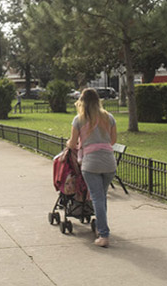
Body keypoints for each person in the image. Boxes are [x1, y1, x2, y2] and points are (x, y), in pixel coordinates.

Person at [66, 88, 117, 247]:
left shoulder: (79, 120)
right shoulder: (109, 118)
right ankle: (101, 228)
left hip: (91, 163)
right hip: (109, 162)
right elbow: (113, 141)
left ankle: (104, 235)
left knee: (97, 198)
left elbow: (73, 143)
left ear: (82, 102)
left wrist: (69, 143)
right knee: (102, 197)